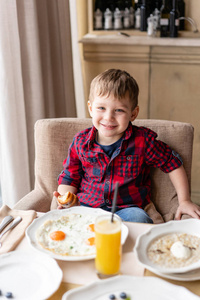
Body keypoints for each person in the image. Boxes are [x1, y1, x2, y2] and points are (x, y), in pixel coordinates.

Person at [53, 69, 200, 223]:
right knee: (71, 227)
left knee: (140, 220)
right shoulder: (80, 142)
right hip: (88, 207)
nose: (108, 117)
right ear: (90, 108)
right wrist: (66, 199)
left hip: (128, 209)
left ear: (133, 114)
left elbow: (172, 163)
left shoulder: (142, 141)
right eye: (101, 108)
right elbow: (70, 177)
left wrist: (184, 201)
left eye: (119, 110)